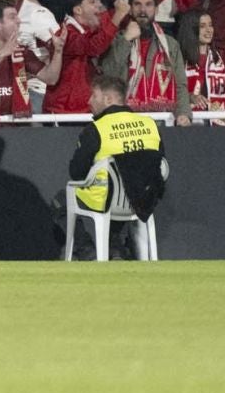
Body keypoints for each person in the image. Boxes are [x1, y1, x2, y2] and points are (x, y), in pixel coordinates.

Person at [68, 70, 166, 255]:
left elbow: (77, 172)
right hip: (143, 198)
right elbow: (159, 162)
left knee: (62, 200)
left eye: (94, 95)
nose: (89, 101)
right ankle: (117, 250)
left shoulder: (95, 129)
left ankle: (88, 251)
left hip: (106, 199)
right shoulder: (150, 124)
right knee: (123, 188)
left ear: (108, 99)